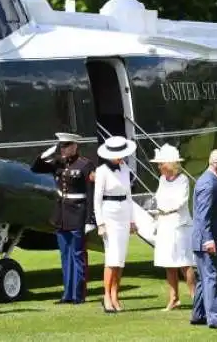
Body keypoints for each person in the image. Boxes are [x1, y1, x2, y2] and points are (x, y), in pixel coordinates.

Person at [31, 132, 97, 304]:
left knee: (78, 256)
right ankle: (67, 294)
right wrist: (44, 155)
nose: (63, 149)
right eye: (61, 146)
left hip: (78, 214)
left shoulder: (85, 165)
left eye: (66, 146)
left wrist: (90, 219)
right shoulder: (58, 163)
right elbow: (36, 169)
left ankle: (78, 294)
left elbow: (90, 194)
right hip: (61, 216)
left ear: (75, 146)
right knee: (65, 256)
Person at [94, 135, 138, 313]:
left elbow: (129, 196)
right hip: (109, 213)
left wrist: (132, 220)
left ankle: (115, 294)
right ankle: (106, 296)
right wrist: (100, 223)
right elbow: (97, 199)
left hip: (123, 213)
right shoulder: (102, 170)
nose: (120, 157)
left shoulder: (125, 168)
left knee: (120, 259)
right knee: (111, 258)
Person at [189, 148, 217, 330]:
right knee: (212, 277)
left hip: (205, 239)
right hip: (207, 240)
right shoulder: (209, 183)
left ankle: (199, 314)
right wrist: (208, 239)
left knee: (204, 278)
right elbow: (203, 215)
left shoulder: (209, 180)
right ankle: (215, 317)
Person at [149, 143, 195, 311]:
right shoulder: (162, 180)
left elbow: (181, 201)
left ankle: (195, 296)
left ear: (170, 164)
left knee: (184, 262)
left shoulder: (183, 180)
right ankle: (173, 298)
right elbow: (159, 198)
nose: (159, 167)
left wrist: (165, 209)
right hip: (164, 223)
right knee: (168, 262)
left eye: (161, 164)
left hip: (178, 224)